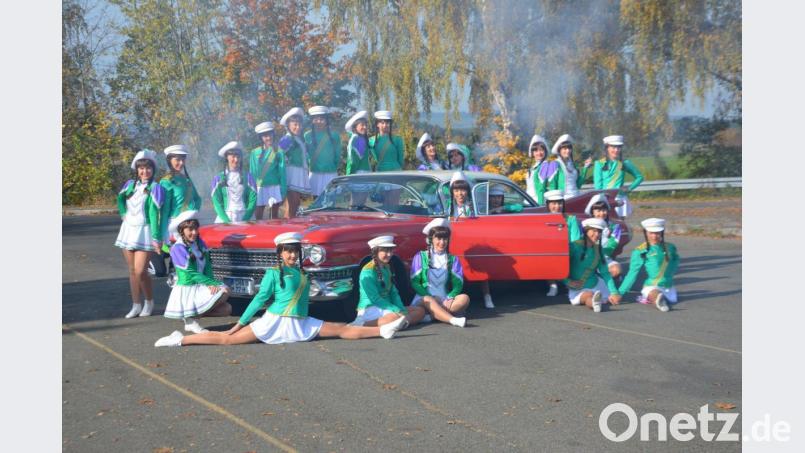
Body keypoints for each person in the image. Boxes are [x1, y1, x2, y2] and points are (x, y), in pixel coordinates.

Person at [155, 232, 407, 347]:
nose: (292, 255)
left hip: (301, 321)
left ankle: (382, 331)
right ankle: (181, 339)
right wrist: (239, 324)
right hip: (274, 322)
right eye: (288, 252)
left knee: (341, 329)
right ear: (280, 253)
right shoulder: (273, 273)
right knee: (227, 339)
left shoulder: (303, 273)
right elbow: (259, 301)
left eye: (295, 251)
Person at [162, 211, 233, 334]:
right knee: (224, 290)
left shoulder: (199, 243)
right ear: (182, 231)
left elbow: (208, 266)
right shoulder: (178, 248)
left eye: (195, 229)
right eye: (190, 229)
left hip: (201, 285)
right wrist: (213, 283)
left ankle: (190, 317)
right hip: (188, 288)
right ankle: (190, 321)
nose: (194, 232)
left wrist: (211, 283)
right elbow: (191, 273)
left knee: (227, 309)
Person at [115, 149, 164, 318]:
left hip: (145, 231)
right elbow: (120, 199)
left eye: (148, 168)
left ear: (153, 169)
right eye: (141, 168)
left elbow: (155, 214)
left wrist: (157, 237)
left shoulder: (156, 188)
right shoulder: (130, 185)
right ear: (137, 169)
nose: (145, 171)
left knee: (140, 270)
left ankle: (149, 302)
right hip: (128, 230)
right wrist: (123, 214)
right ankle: (136, 305)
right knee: (131, 270)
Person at [350, 236, 426, 330]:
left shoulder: (387, 267)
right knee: (396, 317)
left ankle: (400, 323)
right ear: (375, 252)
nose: (389, 254)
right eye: (385, 251)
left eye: (391, 251)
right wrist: (396, 310)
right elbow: (375, 298)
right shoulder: (367, 271)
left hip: (388, 307)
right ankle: (361, 325)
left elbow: (393, 293)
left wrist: (401, 309)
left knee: (420, 311)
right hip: (371, 308)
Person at [409, 218, 468, 327]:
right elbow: (415, 282)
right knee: (427, 301)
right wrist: (430, 297)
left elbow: (458, 284)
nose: (442, 242)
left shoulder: (453, 259)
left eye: (445, 239)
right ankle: (451, 319)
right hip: (424, 298)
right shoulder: (420, 256)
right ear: (431, 239)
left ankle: (433, 316)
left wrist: (450, 296)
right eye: (439, 238)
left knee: (464, 298)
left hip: (445, 300)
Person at [618, 218, 678, 312]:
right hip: (651, 286)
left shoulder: (670, 247)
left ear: (662, 232)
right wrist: (620, 292)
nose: (654, 236)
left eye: (657, 233)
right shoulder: (640, 251)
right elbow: (632, 273)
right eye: (651, 233)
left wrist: (670, 274)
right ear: (645, 232)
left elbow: (675, 259)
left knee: (672, 299)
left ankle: (660, 298)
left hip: (668, 286)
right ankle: (658, 301)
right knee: (655, 293)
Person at [565, 218, 622, 313]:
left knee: (614, 298)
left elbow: (605, 273)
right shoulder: (574, 246)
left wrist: (614, 292)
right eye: (594, 231)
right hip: (578, 287)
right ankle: (595, 303)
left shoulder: (598, 250)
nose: (597, 234)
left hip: (597, 285)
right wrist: (568, 282)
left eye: (599, 232)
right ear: (586, 231)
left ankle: (596, 300)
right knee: (588, 295)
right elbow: (560, 268)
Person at [159, 144, 202, 251]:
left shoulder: (186, 179)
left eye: (183, 159)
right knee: (179, 255)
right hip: (175, 225)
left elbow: (197, 199)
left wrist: (192, 213)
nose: (181, 163)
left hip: (190, 224)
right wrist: (163, 234)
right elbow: (164, 211)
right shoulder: (166, 181)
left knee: (194, 255)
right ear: (169, 160)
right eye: (177, 159)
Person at [593, 135, 644, 217]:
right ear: (607, 148)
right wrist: (601, 200)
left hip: (620, 199)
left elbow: (639, 177)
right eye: (613, 147)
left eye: (618, 147)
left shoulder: (625, 163)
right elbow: (598, 186)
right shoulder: (599, 163)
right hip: (605, 199)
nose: (616, 150)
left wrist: (629, 188)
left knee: (620, 223)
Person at [544, 189, 581, 297]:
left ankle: (570, 284)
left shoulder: (571, 219)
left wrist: (568, 251)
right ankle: (552, 285)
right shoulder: (544, 219)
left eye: (560, 203)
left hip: (569, 250)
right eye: (554, 203)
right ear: (548, 205)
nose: (557, 206)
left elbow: (576, 240)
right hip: (550, 251)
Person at [211, 141, 257, 223]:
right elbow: (216, 202)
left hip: (246, 217)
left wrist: (245, 219)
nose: (236, 160)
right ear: (227, 157)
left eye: (238, 156)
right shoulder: (218, 179)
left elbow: (253, 200)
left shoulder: (248, 177)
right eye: (233, 156)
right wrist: (226, 221)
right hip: (225, 218)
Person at [277, 107, 310, 218]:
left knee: (295, 204)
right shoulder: (287, 138)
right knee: (292, 204)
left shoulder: (298, 139)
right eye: (295, 124)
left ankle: (291, 223)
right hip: (291, 174)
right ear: (288, 125)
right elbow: (278, 154)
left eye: (299, 124)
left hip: (298, 173)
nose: (298, 127)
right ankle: (288, 224)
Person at [250, 121, 285, 220]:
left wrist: (283, 190)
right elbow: (252, 172)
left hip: (274, 186)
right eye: (265, 136)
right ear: (261, 138)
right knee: (258, 215)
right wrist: (252, 190)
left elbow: (282, 172)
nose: (268, 138)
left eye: (270, 135)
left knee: (274, 216)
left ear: (273, 134)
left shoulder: (278, 151)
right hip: (259, 187)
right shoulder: (254, 152)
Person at [305, 106, 342, 197]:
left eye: (321, 119)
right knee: (316, 200)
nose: (319, 122)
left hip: (330, 173)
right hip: (315, 173)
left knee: (331, 199)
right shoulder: (307, 136)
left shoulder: (334, 135)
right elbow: (305, 155)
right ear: (312, 121)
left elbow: (337, 155)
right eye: (316, 119)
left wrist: (333, 167)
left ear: (326, 120)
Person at [584, 193, 623, 278]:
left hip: (604, 258)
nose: (602, 213)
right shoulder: (585, 225)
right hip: (587, 258)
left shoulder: (615, 227)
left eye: (604, 210)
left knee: (616, 270)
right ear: (592, 212)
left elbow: (611, 247)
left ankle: (604, 279)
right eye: (598, 211)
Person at [549, 134, 591, 199]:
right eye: (565, 149)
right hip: (563, 199)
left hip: (576, 197)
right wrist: (554, 200)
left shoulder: (573, 164)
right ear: (559, 150)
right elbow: (552, 185)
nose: (568, 151)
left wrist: (585, 168)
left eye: (569, 148)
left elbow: (578, 185)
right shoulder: (554, 164)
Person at [525, 135, 558, 205]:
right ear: (532, 153)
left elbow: (541, 189)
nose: (539, 153)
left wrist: (540, 206)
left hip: (536, 202)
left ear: (545, 151)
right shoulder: (532, 167)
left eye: (541, 150)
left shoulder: (545, 165)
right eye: (536, 150)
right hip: (528, 202)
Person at [344, 110, 372, 175]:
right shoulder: (357, 139)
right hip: (360, 174)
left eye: (366, 125)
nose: (365, 127)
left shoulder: (359, 139)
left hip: (360, 174)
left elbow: (353, 162)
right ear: (355, 126)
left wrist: (348, 175)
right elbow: (353, 161)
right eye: (362, 125)